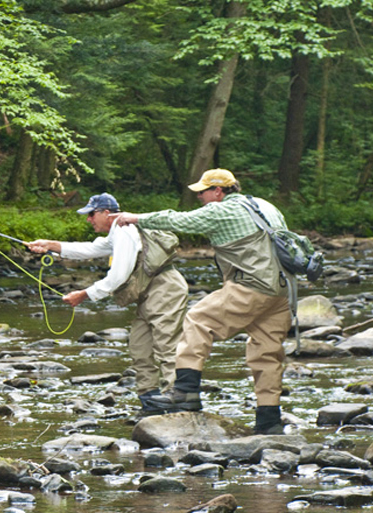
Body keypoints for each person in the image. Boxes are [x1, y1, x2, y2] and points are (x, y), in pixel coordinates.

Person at [114, 169, 291, 435]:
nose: (199, 197)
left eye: (202, 192)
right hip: (281, 292)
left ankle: (185, 392)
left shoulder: (222, 211)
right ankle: (269, 420)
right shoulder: (264, 206)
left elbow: (178, 221)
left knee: (197, 320)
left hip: (251, 287)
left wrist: (135, 218)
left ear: (218, 192)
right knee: (267, 354)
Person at [25, 193, 188, 416]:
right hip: (148, 292)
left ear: (106, 213)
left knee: (166, 345)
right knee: (140, 346)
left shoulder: (124, 231)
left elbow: (118, 276)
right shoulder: (116, 233)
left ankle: (179, 401)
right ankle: (150, 401)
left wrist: (85, 295)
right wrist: (50, 245)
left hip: (165, 288)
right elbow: (91, 249)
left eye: (91, 214)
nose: (88, 219)